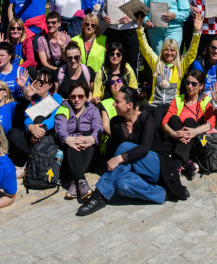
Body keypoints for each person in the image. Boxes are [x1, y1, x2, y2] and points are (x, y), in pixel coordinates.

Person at [77, 86, 189, 216]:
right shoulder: (116, 123)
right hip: (137, 170)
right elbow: (115, 151)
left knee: (124, 147)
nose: (114, 104)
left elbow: (144, 148)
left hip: (156, 165)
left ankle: (99, 196)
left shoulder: (147, 118)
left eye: (117, 102)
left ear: (129, 105)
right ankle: (162, 194)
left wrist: (119, 159)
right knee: (121, 184)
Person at [138, 13, 202, 122]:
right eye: (166, 50)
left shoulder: (180, 65)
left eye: (172, 50)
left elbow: (191, 54)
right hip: (154, 105)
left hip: (172, 108)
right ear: (162, 51)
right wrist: (140, 30)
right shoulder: (156, 63)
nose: (169, 53)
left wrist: (196, 32)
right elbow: (145, 49)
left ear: (176, 52)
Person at [162, 70, 215, 179]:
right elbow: (164, 122)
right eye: (188, 83)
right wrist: (173, 133)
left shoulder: (205, 101)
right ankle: (186, 162)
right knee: (173, 118)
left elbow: (211, 122)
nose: (190, 86)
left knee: (190, 121)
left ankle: (177, 163)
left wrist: (194, 132)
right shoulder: (178, 99)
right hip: (177, 139)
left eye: (194, 84)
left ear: (201, 86)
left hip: (195, 142)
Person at [55, 82, 102, 201]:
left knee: (86, 135)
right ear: (69, 97)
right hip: (69, 152)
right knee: (73, 140)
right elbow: (60, 128)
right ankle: (81, 181)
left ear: (86, 97)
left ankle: (75, 182)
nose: (77, 100)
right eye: (73, 96)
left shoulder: (93, 110)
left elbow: (98, 127)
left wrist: (91, 138)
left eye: (80, 96)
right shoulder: (64, 108)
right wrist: (67, 139)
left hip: (89, 151)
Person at [100, 0, 143, 74]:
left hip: (130, 32)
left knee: (131, 61)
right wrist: (105, 16)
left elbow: (143, 12)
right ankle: (115, 84)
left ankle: (132, 88)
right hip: (113, 32)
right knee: (114, 61)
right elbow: (103, 10)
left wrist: (131, 18)